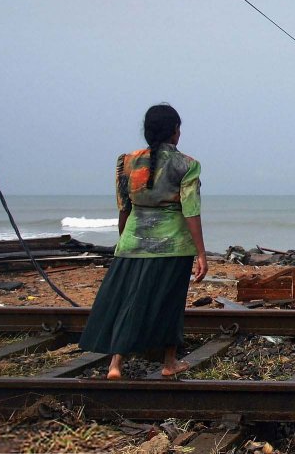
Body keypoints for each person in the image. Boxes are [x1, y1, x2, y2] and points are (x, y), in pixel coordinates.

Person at [79, 104, 207, 379]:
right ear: (175, 131)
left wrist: (123, 241)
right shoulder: (187, 164)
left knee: (129, 300)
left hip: (132, 242)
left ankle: (115, 364)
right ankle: (169, 362)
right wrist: (201, 254)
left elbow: (123, 208)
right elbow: (191, 211)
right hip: (173, 245)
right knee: (170, 303)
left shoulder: (126, 161)